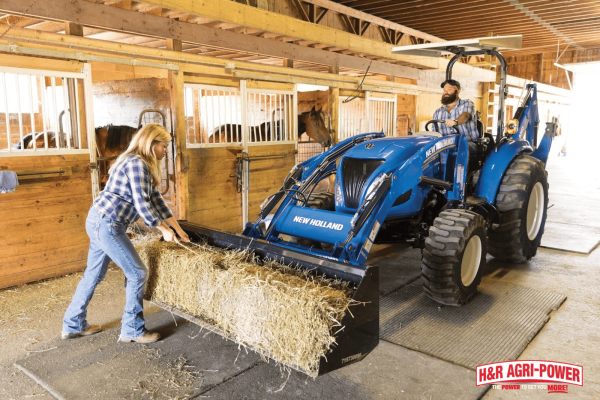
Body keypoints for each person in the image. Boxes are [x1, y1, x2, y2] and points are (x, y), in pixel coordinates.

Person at [62, 123, 190, 344]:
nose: (166, 150)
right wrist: (163, 230)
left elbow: (156, 200)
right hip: (108, 224)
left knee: (94, 275)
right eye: (164, 146)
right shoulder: (136, 164)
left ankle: (73, 325)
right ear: (151, 144)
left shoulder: (141, 163)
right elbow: (142, 204)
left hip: (99, 220)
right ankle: (132, 329)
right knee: (137, 273)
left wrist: (177, 229)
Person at [433, 79, 480, 153]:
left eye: (450, 89)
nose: (446, 92)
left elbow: (465, 115)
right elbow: (434, 134)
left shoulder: (467, 103)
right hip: (445, 146)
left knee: (458, 147)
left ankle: (459, 165)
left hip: (468, 143)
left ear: (458, 91)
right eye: (444, 90)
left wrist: (455, 122)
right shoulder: (437, 112)